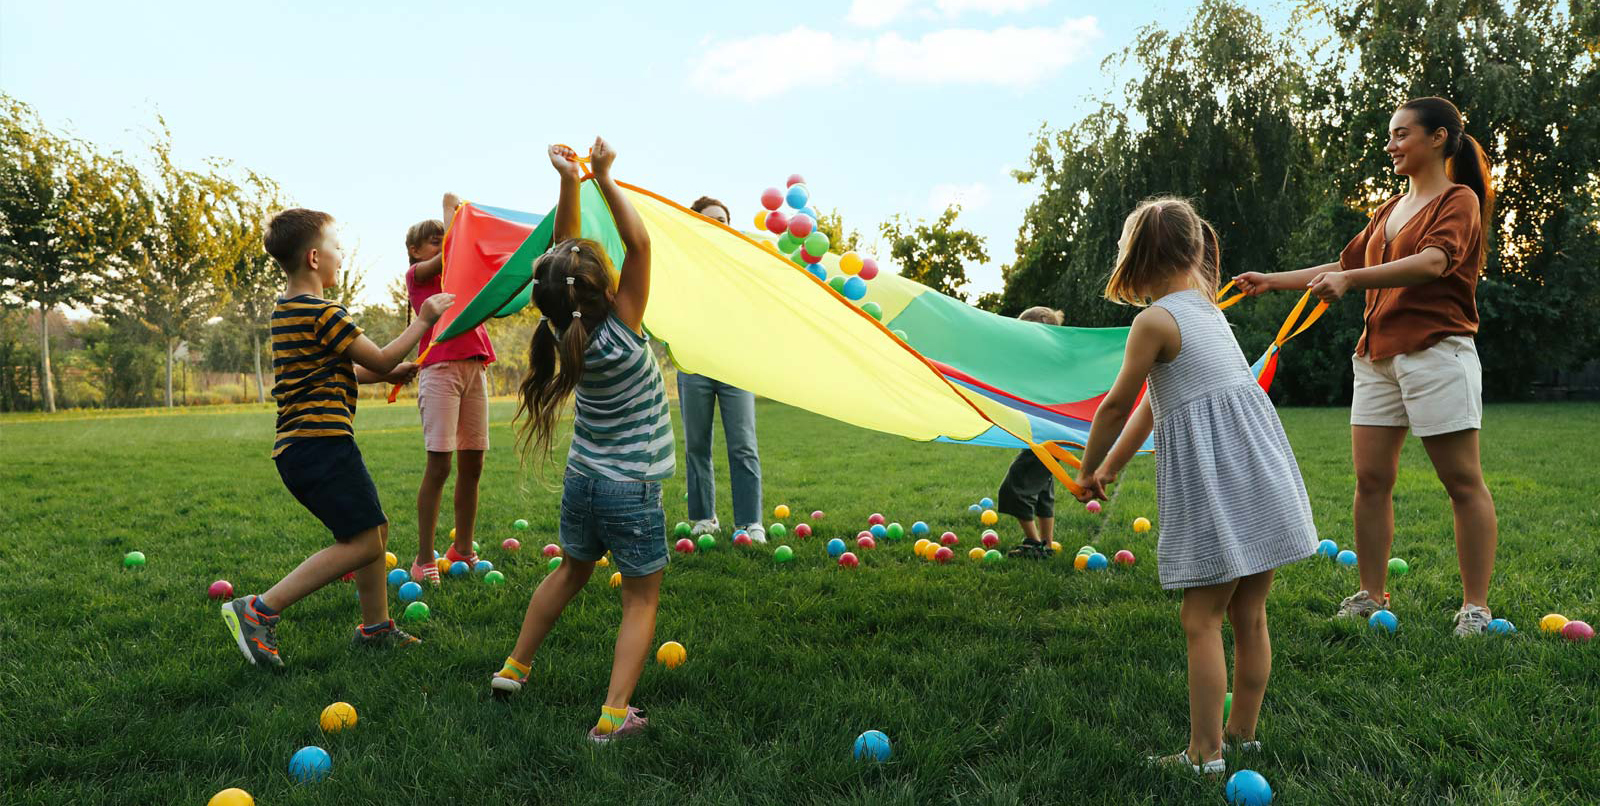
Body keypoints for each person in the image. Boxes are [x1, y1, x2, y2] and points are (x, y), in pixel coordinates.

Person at [1233, 96, 1499, 635]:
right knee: (1370, 480)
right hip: (1376, 357)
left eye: (1402, 134)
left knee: (1461, 481)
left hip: (1436, 351)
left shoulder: (1459, 200)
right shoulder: (1387, 210)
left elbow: (1433, 262)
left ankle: (1475, 605)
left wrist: (1352, 282)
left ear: (1439, 138)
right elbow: (1346, 264)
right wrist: (1272, 279)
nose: (1391, 144)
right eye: (1391, 134)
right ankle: (1370, 593)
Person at [1075, 198, 1317, 774]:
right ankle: (1243, 735)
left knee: (1200, 619)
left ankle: (1204, 755)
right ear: (1194, 251)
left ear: (1134, 258)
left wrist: (1086, 468)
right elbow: (1156, 406)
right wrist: (1113, 467)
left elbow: (1113, 407)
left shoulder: (1154, 321)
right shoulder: (1207, 313)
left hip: (1220, 483)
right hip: (1262, 476)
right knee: (1250, 615)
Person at [490, 139, 669, 744]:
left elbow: (560, 261)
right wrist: (605, 178)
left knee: (570, 571)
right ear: (601, 288)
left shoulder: (562, 332)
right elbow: (640, 244)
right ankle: (614, 718)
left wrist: (571, 181)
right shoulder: (623, 329)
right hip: (631, 489)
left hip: (582, 482)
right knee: (640, 601)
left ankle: (514, 669)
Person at [221, 207, 454, 669]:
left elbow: (346, 369)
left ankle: (375, 628)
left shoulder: (288, 312)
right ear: (313, 257)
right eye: (336, 247)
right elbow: (383, 358)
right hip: (321, 443)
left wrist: (388, 371)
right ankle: (259, 609)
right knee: (366, 542)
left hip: (304, 447)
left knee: (374, 530)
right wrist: (424, 318)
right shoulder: (323, 312)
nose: (340, 256)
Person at [403, 193, 497, 584]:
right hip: (439, 370)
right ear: (413, 250)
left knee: (473, 463)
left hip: (474, 367)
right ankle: (424, 557)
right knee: (440, 465)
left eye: (445, 235)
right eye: (434, 238)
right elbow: (450, 254)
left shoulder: (460, 272)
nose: (443, 241)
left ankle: (463, 548)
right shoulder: (418, 276)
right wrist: (453, 215)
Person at [677, 196, 765, 542]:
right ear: (696, 222)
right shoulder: (682, 266)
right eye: (711, 219)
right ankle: (703, 518)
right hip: (695, 364)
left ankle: (749, 521)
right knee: (696, 444)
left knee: (743, 444)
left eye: (724, 220)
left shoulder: (740, 263)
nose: (719, 224)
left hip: (734, 366)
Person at [999, 306, 1067, 559]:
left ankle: (1034, 543)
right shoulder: (1051, 360)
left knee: (1013, 487)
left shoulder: (1048, 360)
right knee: (1042, 492)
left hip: (1046, 437)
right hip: (1049, 435)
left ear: (1040, 324)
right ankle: (1046, 545)